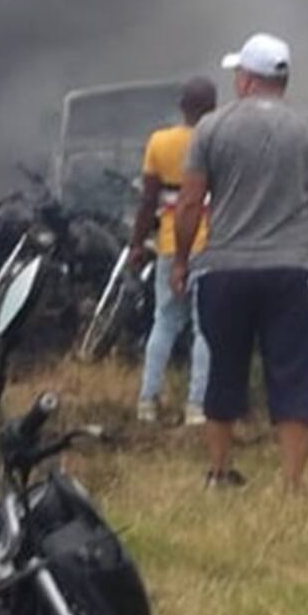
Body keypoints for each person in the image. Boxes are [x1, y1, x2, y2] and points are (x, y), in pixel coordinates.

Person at [171, 32, 308, 491]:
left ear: (247, 79)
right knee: (294, 371)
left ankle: (218, 472)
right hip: (291, 271)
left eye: (238, 72)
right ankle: (292, 482)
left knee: (225, 369)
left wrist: (181, 260)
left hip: (224, 270)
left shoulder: (211, 128)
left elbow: (190, 202)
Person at [130, 77, 216, 426]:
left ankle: (147, 401)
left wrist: (137, 242)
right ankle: (196, 406)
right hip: (211, 244)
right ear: (212, 107)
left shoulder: (159, 142)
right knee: (205, 328)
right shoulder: (215, 140)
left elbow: (148, 199)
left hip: (170, 243)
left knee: (164, 321)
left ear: (181, 105)